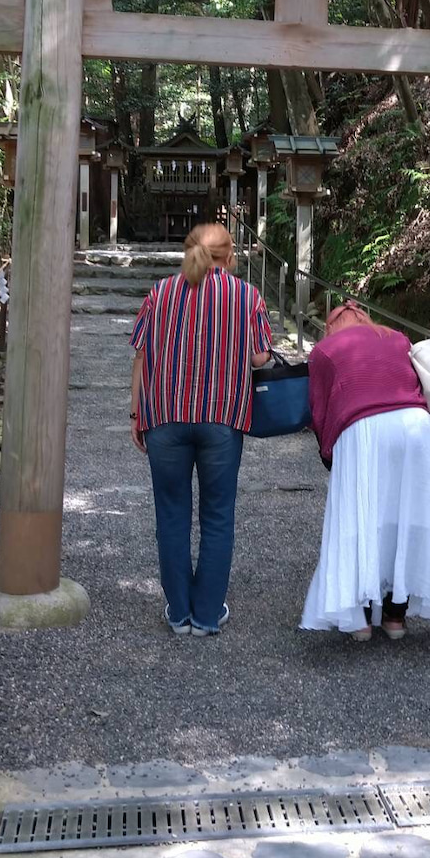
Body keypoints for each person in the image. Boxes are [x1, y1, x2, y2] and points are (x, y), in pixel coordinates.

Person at [130, 222, 272, 637]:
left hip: (165, 416)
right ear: (229, 257)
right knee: (217, 515)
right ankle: (207, 614)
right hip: (222, 418)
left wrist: (136, 412)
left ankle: (178, 613)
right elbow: (261, 356)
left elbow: (141, 353)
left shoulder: (160, 293)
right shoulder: (246, 296)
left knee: (171, 515)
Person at [300, 301, 430, 641]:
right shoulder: (398, 339)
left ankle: (359, 618)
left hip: (363, 430)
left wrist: (329, 454)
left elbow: (319, 411)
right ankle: (394, 617)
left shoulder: (323, 351)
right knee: (406, 519)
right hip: (417, 427)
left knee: (360, 519)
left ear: (332, 327)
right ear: (366, 320)